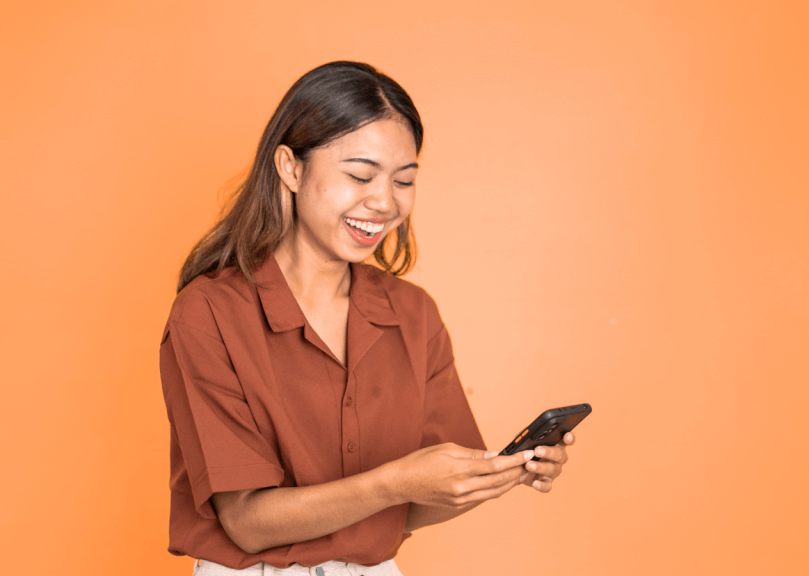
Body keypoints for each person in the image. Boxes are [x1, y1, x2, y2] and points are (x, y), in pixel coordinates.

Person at [158, 61, 576, 575]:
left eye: (404, 180)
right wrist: (393, 482)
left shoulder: (414, 314)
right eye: (360, 175)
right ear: (290, 167)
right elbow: (246, 521)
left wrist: (498, 475)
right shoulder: (209, 313)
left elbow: (413, 507)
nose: (383, 202)